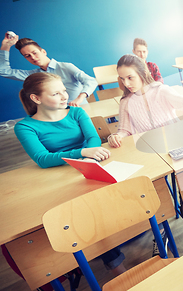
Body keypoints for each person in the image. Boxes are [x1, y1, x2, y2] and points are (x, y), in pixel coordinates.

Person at [11, 72, 126, 280]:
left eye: (64, 90)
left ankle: (124, 234)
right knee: (84, 215)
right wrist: (81, 153)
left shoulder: (76, 112)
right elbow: (42, 159)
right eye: (56, 93)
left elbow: (92, 138)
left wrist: (90, 156)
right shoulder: (25, 126)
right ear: (36, 99)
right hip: (59, 177)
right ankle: (115, 264)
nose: (64, 96)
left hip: (90, 167)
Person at [107, 54, 183, 242]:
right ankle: (161, 225)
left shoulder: (160, 90)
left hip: (173, 142)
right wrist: (117, 136)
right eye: (122, 79)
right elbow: (124, 129)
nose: (126, 83)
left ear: (142, 73)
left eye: (130, 77)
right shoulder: (126, 102)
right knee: (155, 186)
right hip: (149, 149)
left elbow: (181, 100)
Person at [0, 33, 97, 106]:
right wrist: (6, 46)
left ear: (43, 51)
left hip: (79, 109)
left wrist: (79, 98)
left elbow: (91, 81)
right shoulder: (34, 76)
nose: (33, 57)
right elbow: (3, 71)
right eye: (27, 56)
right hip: (56, 115)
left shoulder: (65, 67)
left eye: (35, 53)